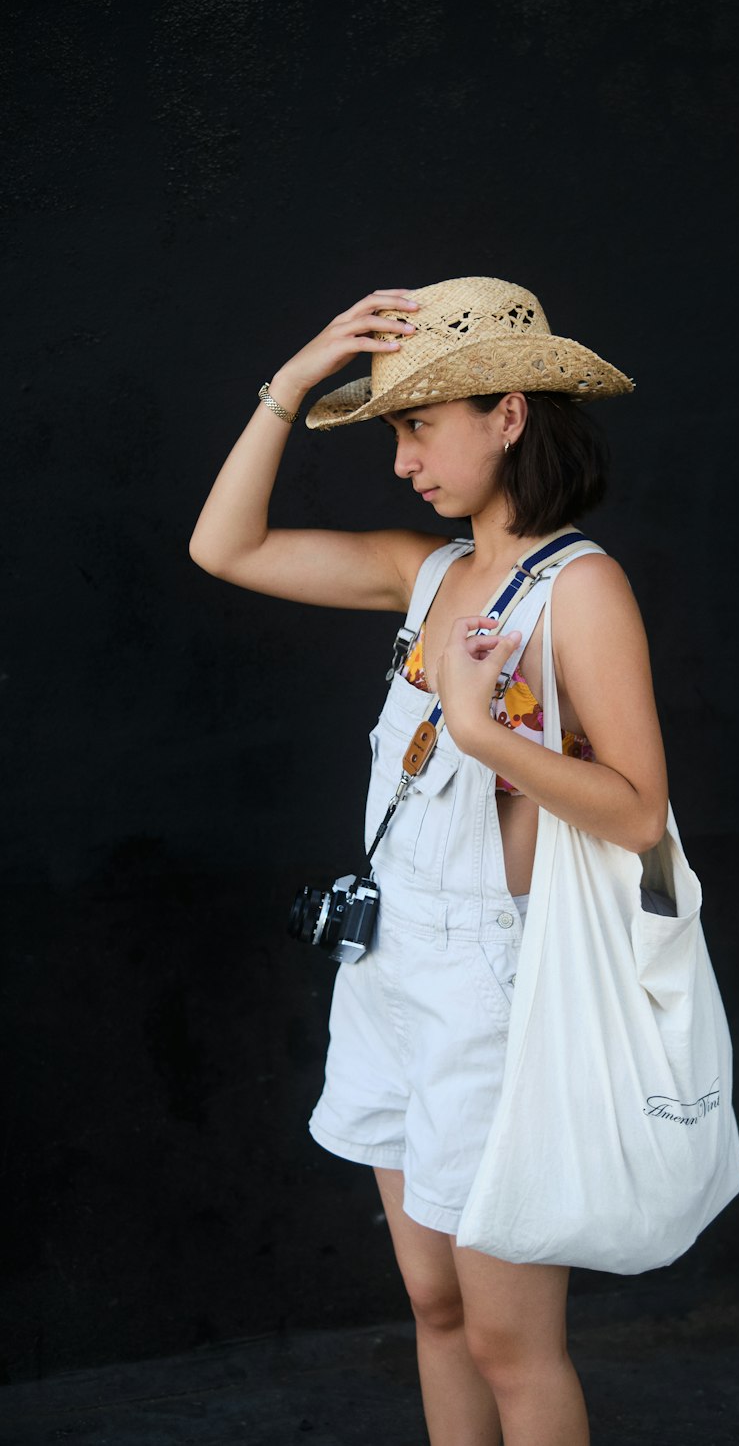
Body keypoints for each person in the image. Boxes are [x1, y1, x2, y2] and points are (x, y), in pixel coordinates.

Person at [189, 276, 668, 1446]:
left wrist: (481, 730)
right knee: (436, 1306)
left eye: (419, 425)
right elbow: (223, 545)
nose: (402, 460)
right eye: (396, 429)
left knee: (513, 1343)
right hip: (390, 964)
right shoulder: (430, 572)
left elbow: (638, 812)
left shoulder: (580, 589)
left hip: (494, 986)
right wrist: (291, 384)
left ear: (509, 413)